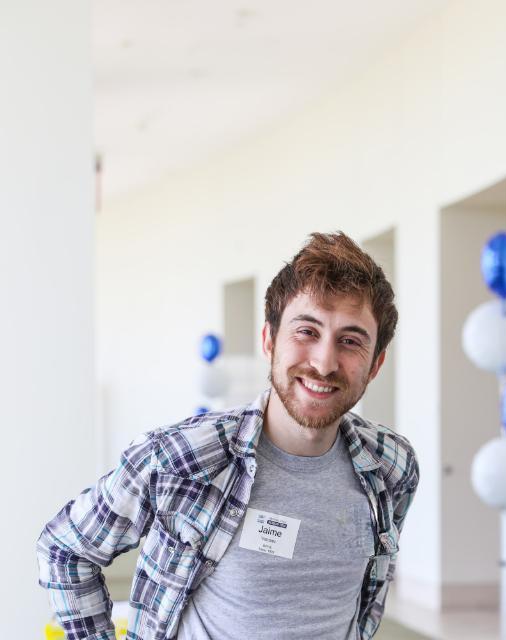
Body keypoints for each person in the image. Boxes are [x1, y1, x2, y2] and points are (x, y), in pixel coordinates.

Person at [37, 231, 419, 640]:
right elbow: (64, 550)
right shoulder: (181, 459)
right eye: (306, 332)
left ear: (375, 364)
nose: (324, 363)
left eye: (350, 341)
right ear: (269, 341)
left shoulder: (391, 465)